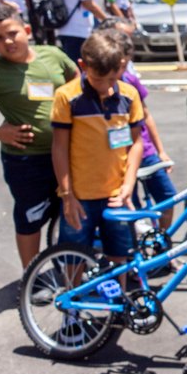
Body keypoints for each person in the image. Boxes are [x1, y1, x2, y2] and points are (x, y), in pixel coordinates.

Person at [0, 5, 77, 268]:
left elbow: (76, 80)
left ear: (26, 30)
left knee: (71, 213)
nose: (7, 42)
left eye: (12, 33)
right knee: (31, 218)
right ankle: (32, 277)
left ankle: (74, 271)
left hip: (69, 153)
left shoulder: (53, 56)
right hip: (26, 160)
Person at [51, 29, 144, 286]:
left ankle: (119, 304)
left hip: (116, 194)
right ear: (83, 66)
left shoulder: (128, 94)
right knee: (73, 256)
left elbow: (136, 142)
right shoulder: (67, 97)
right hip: (79, 197)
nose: (107, 87)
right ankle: (72, 307)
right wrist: (67, 196)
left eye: (114, 78)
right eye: (99, 79)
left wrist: (128, 186)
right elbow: (59, 147)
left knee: (119, 254)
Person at [110, 26, 177, 231]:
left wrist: (161, 151)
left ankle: (160, 245)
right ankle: (137, 252)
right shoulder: (95, 87)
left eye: (125, 63)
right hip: (117, 156)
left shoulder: (130, 83)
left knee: (168, 198)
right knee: (131, 208)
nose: (121, 68)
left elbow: (146, 116)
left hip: (146, 151)